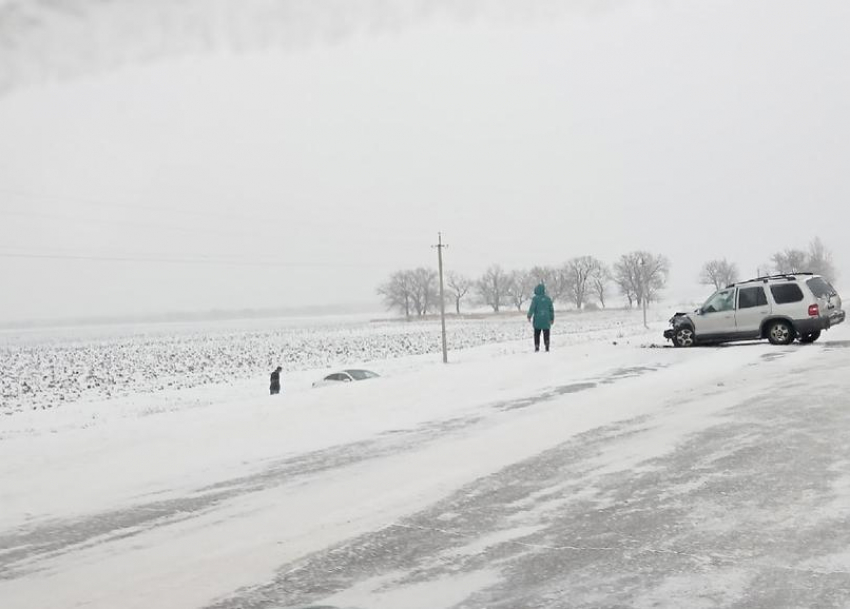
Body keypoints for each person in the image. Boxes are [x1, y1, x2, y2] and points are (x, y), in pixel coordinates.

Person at [527, 283, 554, 352]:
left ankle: (537, 346)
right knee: (546, 334)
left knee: (537, 334)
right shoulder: (548, 299)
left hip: (538, 320)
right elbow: (551, 310)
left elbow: (532, 308)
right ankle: (547, 346)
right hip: (546, 319)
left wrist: (529, 316)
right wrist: (552, 318)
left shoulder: (535, 299)